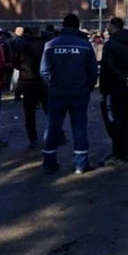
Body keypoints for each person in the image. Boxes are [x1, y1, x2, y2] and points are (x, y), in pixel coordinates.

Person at [40, 14, 98, 175]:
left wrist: (51, 86)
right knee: (79, 127)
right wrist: (88, 87)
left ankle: (49, 163)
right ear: (77, 26)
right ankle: (81, 164)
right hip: (79, 93)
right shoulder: (85, 45)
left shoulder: (50, 45)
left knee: (52, 127)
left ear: (63, 25)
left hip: (56, 92)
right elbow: (93, 72)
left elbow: (43, 72)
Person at [13, 27, 68, 149]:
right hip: (44, 82)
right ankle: (57, 135)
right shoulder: (47, 45)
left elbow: (15, 63)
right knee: (50, 111)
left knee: (29, 113)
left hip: (27, 81)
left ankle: (32, 139)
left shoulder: (21, 45)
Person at [99, 18, 128, 167]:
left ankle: (118, 152)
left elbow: (108, 67)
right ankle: (125, 148)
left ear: (112, 26)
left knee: (113, 120)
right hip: (126, 87)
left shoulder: (111, 45)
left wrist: (124, 79)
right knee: (125, 118)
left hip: (112, 87)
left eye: (108, 26)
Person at [10, 26, 25, 100]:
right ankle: (15, 90)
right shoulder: (18, 40)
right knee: (18, 77)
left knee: (16, 76)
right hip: (18, 60)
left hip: (15, 60)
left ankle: (14, 89)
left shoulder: (14, 39)